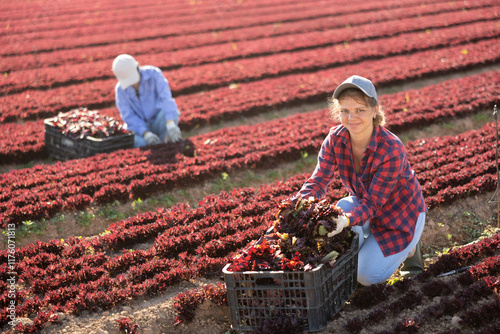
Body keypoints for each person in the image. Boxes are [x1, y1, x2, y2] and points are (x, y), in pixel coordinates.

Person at [296, 75, 427, 286]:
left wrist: (346, 220)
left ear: (375, 110)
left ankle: (409, 246)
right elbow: (318, 182)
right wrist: (297, 207)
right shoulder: (335, 140)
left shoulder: (390, 148)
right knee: (341, 208)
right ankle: (370, 248)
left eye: (360, 110)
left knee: (365, 277)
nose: (351, 117)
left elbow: (373, 203)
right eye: (345, 111)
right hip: (366, 208)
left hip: (400, 217)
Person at [112, 54, 182, 147]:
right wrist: (145, 133)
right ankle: (155, 144)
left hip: (157, 120)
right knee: (136, 140)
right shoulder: (120, 90)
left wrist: (170, 123)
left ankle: (163, 143)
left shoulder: (154, 74)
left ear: (137, 68)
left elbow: (166, 99)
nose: (132, 84)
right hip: (140, 128)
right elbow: (128, 116)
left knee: (173, 114)